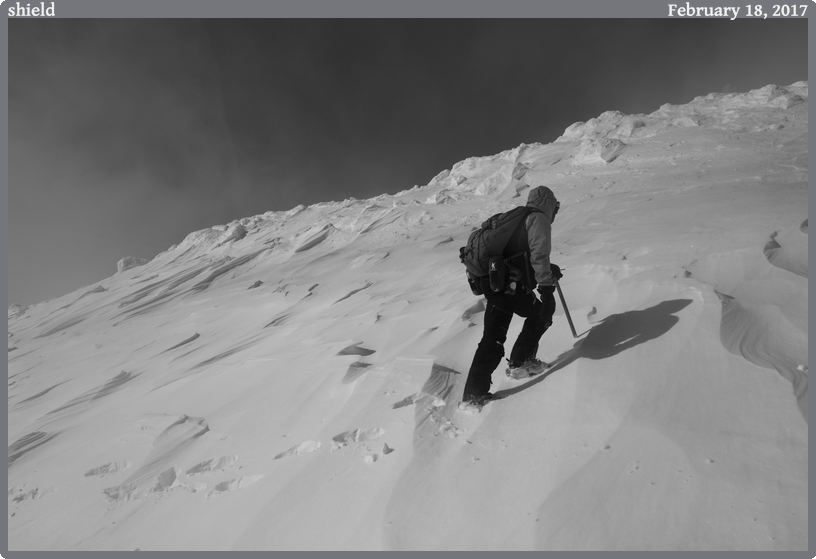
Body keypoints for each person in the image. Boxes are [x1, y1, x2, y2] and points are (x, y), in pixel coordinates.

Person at [460, 185, 562, 408]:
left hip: (498, 282)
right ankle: (507, 373)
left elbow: (519, 253)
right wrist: (546, 289)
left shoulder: (518, 217)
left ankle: (481, 389)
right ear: (550, 205)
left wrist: (546, 269)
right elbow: (539, 254)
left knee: (501, 332)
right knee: (534, 317)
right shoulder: (538, 218)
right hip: (508, 286)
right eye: (556, 208)